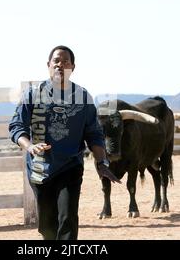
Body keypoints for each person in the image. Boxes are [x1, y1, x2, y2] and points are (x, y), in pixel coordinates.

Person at [9, 45, 120, 240]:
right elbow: (17, 126)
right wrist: (30, 146)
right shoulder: (33, 95)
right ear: (48, 65)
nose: (61, 65)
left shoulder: (84, 98)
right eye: (56, 61)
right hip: (40, 168)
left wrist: (102, 162)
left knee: (67, 220)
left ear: (73, 67)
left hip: (70, 166)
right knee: (47, 227)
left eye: (66, 61)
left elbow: (94, 133)